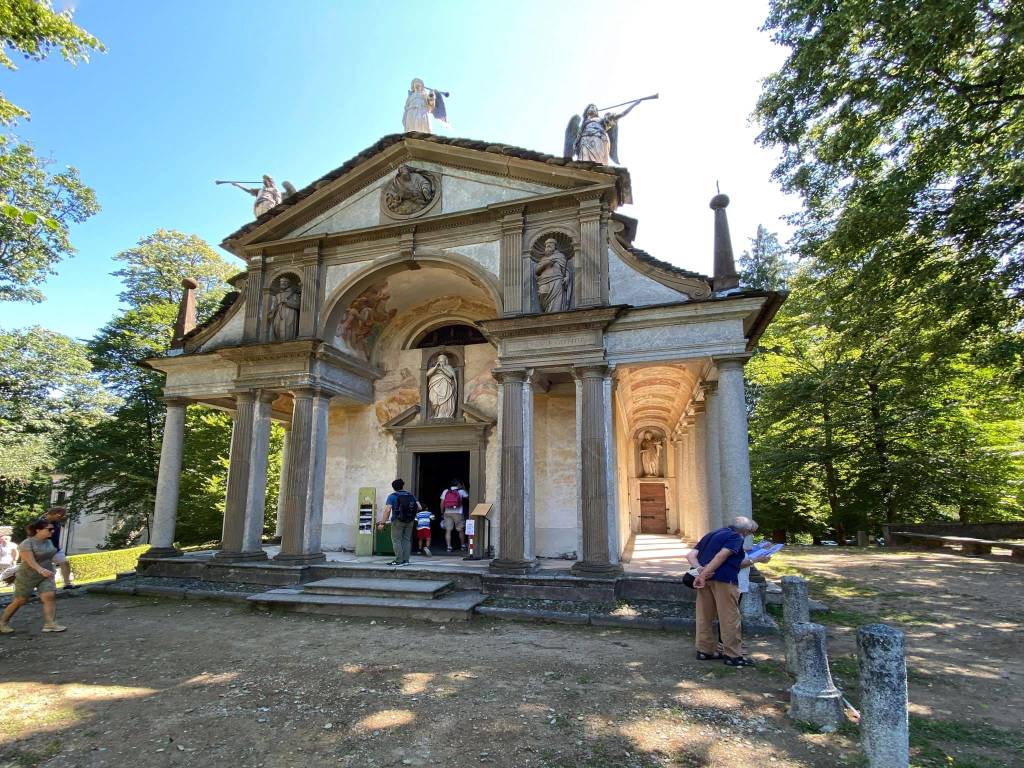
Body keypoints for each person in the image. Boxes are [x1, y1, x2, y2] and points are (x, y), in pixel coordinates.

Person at [686, 516, 768, 667]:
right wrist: (703, 575)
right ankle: (733, 655)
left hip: (705, 580)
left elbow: (690, 555)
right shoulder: (736, 537)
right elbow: (721, 556)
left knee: (704, 616)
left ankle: (704, 651)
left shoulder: (712, 534)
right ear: (745, 531)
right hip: (724, 580)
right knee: (729, 617)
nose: (751, 535)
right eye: (751, 532)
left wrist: (700, 570)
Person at [0, 517, 67, 633]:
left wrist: (55, 567)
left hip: (45, 575)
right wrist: (41, 570)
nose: (52, 531)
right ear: (38, 530)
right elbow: (30, 561)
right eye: (49, 529)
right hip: (27, 576)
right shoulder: (27, 543)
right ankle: (2, 622)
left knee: (49, 596)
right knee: (20, 600)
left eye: (53, 529)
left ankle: (50, 624)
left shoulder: (48, 542)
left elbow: (51, 556)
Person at [377, 479, 421, 567]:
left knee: (396, 540)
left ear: (393, 487)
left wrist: (382, 523)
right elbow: (419, 507)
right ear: (402, 486)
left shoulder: (392, 496)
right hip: (410, 521)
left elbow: (387, 510)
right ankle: (406, 560)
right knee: (406, 540)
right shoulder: (411, 495)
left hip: (397, 521)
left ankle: (399, 561)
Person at [45, 507, 76, 590]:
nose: (61, 517)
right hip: (43, 548)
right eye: (60, 515)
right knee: (43, 567)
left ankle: (67, 584)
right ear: (54, 513)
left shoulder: (57, 521)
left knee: (65, 563)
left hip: (56, 548)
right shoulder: (42, 522)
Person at [535, 238, 569, 313]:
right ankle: (546, 312)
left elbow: (565, 269)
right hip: (543, 281)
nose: (548, 246)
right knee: (542, 293)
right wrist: (545, 264)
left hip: (557, 279)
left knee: (556, 301)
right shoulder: (543, 259)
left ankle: (556, 314)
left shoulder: (560, 256)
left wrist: (567, 277)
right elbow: (537, 271)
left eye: (550, 244)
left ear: (555, 246)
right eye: (547, 245)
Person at [440, 480, 469, 553]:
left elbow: (442, 503)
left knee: (448, 530)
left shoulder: (446, 491)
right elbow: (468, 498)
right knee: (460, 530)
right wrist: (464, 488)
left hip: (447, 512)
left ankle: (449, 547)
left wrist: (442, 512)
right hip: (458, 513)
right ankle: (462, 545)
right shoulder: (461, 491)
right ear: (458, 484)